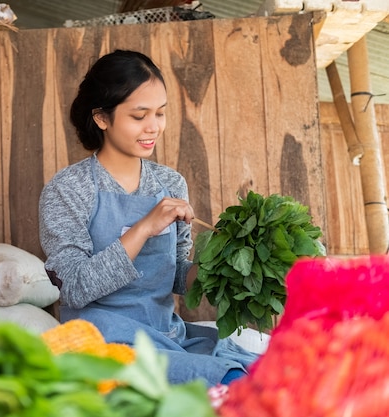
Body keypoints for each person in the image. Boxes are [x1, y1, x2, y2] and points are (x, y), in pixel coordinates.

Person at [38, 50, 259, 387]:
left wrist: (227, 270)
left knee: (268, 370)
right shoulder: (68, 189)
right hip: (104, 343)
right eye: (139, 116)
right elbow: (74, 288)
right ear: (102, 118)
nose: (153, 127)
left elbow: (173, 274)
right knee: (232, 382)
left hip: (166, 334)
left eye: (160, 113)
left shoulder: (170, 183)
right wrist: (143, 228)